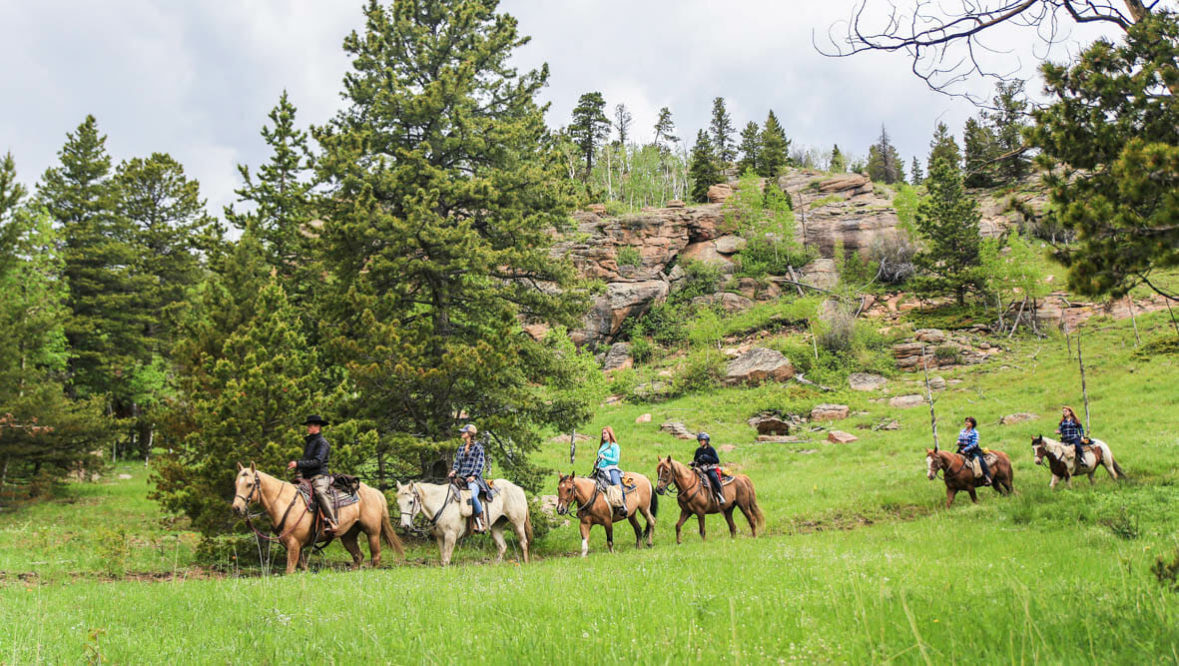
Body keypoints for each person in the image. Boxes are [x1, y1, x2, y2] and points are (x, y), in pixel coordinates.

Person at [288, 415, 338, 533]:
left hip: (319, 475)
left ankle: (332, 521)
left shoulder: (322, 443)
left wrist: (298, 464)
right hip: (307, 477)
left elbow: (318, 462)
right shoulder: (310, 442)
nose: (308, 428)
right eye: (308, 425)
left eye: (310, 425)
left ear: (318, 427)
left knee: (320, 492)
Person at [449, 424, 487, 533]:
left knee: (472, 495)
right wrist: (454, 470)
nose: (462, 433)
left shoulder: (478, 447)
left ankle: (480, 520)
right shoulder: (461, 448)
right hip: (461, 478)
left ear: (470, 434)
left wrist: (474, 475)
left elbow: (480, 463)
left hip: (474, 479)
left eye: (464, 432)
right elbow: (457, 463)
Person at [956, 417, 991, 486]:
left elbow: (974, 443)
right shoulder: (962, 431)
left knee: (980, 460)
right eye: (966, 421)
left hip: (973, 450)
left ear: (972, 424)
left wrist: (965, 450)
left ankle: (987, 477)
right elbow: (960, 439)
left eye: (968, 422)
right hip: (961, 449)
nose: (966, 423)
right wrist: (958, 441)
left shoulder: (975, 432)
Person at [595, 427, 624, 513]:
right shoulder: (602, 446)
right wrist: (596, 462)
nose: (603, 435)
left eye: (605, 433)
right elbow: (600, 457)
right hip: (600, 470)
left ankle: (623, 505)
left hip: (611, 469)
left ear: (610, 434)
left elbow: (616, 460)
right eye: (602, 433)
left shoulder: (615, 446)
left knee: (617, 484)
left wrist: (605, 457)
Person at [692, 432, 724, 504]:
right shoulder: (698, 450)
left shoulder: (711, 449)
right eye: (700, 440)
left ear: (707, 441)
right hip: (701, 469)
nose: (701, 442)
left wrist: (707, 457)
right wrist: (692, 463)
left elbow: (716, 460)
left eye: (703, 440)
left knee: (713, 477)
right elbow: (696, 461)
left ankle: (720, 495)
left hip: (710, 468)